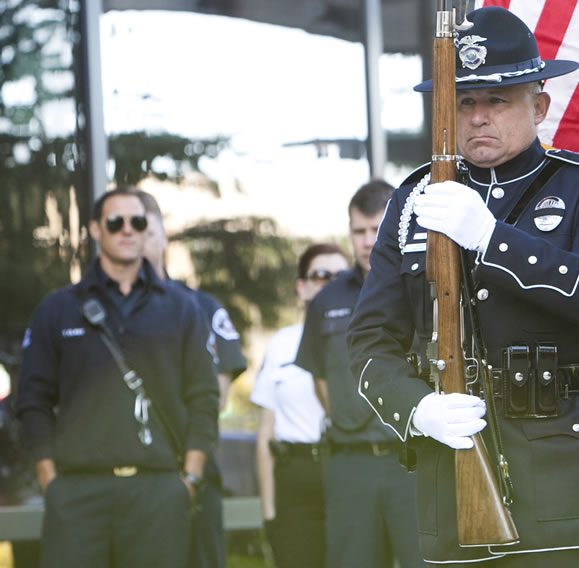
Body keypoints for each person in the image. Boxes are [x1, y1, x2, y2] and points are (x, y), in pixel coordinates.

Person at [347, 5, 579, 565]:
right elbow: (370, 341)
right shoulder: (414, 200)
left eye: (497, 100)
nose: (479, 116)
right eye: (464, 101)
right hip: (453, 474)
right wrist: (416, 410)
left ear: (539, 106)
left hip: (569, 477)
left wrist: (491, 238)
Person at [16, 186, 219, 568]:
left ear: (147, 230)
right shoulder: (58, 309)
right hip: (78, 494)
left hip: (159, 491)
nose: (127, 229)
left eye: (137, 221)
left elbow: (205, 397)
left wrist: (189, 480)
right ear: (95, 229)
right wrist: (51, 482)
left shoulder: (183, 309)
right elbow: (32, 400)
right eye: (115, 222)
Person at [295, 180, 423, 568]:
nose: (368, 240)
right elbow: (320, 377)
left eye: (377, 228)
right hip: (350, 464)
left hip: (414, 463)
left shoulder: (428, 286)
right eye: (359, 231)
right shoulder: (326, 300)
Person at [137, 189, 248, 568]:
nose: (137, 243)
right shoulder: (98, 315)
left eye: (147, 232)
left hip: (189, 469)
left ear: (164, 237)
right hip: (125, 481)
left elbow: (213, 400)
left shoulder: (201, 308)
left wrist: (189, 472)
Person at [252, 243, 349, 568]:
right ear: (301, 286)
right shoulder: (281, 344)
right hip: (296, 478)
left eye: (341, 276)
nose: (332, 283)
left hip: (346, 470)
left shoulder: (365, 341)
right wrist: (270, 513)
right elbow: (266, 435)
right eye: (322, 275)